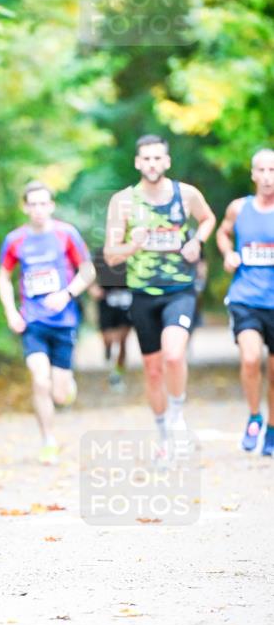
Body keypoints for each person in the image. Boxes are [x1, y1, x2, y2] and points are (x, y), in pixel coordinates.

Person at [104, 134, 215, 442]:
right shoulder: (123, 202)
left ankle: (177, 413)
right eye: (146, 159)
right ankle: (164, 432)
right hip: (142, 295)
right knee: (153, 370)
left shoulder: (186, 195)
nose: (152, 164)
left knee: (174, 355)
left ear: (167, 161)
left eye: (157, 158)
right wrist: (132, 245)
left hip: (179, 290)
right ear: (138, 163)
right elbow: (111, 254)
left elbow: (207, 219)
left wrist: (196, 241)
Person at [0, 181, 95, 464]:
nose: (39, 209)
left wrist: (67, 294)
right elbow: (3, 276)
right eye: (33, 204)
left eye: (44, 203)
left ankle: (65, 388)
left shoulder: (66, 234)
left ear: (51, 206)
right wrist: (11, 312)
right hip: (33, 322)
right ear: (26, 207)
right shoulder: (15, 239)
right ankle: (48, 440)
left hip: (64, 321)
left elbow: (87, 270)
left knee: (59, 393)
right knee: (40, 380)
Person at [217, 147, 274, 456]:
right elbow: (223, 233)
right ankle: (254, 417)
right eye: (262, 171)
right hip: (246, 298)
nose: (267, 177)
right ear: (253, 174)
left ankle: (272, 430)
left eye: (273, 171)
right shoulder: (239, 208)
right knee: (251, 359)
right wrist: (229, 253)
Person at [89, 246, 132, 392]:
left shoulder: (132, 249)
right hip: (106, 298)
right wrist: (92, 288)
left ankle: (117, 375)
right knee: (108, 337)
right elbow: (87, 271)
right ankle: (107, 349)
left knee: (123, 340)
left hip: (126, 298)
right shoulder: (100, 252)